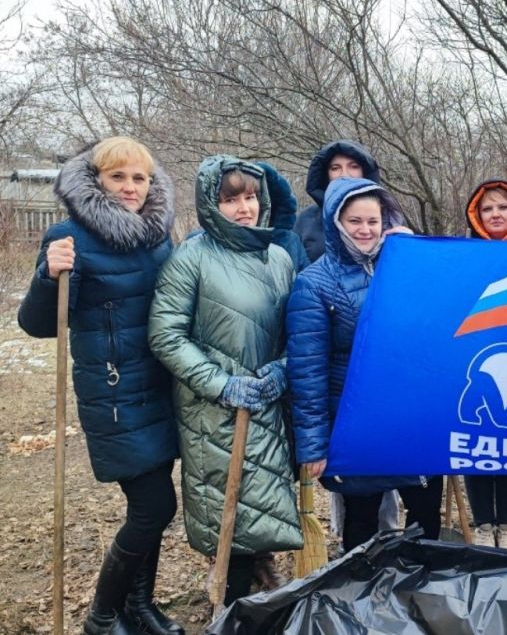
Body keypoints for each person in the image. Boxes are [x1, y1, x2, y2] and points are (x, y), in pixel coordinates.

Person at [18, 137, 183, 635]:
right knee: (156, 505)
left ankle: (140, 606)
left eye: (139, 178)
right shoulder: (69, 236)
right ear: (96, 181)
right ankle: (102, 615)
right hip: (114, 397)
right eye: (118, 177)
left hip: (160, 390)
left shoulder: (159, 237)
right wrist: (50, 276)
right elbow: (36, 324)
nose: (130, 188)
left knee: (150, 509)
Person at [148, 156, 302, 607]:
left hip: (268, 405)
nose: (244, 207)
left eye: (250, 197)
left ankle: (258, 577)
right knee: (227, 514)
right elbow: (165, 335)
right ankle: (231, 597)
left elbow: (300, 330)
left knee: (265, 504)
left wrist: (284, 369)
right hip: (214, 412)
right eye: (230, 198)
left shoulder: (278, 257)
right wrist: (220, 383)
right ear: (211, 205)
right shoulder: (192, 257)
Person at [286, 176, 442, 553]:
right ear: (336, 222)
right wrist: (313, 446)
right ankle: (361, 599)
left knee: (426, 519)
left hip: (411, 421)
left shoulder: (405, 269)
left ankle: (420, 592)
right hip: (354, 425)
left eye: (373, 221)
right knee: (361, 524)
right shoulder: (315, 284)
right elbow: (308, 372)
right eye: (355, 221)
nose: (366, 230)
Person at [463, 179, 507, 548]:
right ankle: (482, 525)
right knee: (478, 441)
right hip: (478, 355)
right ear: (477, 214)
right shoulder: (464, 255)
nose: (495, 215)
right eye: (487, 208)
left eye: (502, 207)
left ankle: (505, 527)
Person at [294, 140, 381, 263]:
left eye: (354, 166)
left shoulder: (387, 215)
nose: (344, 174)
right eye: (335, 168)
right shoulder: (305, 220)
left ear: (364, 171)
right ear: (326, 175)